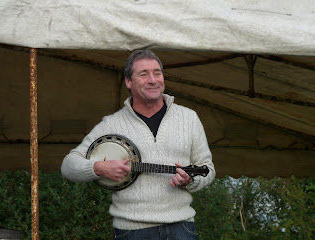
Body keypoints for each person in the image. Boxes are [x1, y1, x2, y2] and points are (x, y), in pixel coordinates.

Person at [61, 50, 216, 240]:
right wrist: (98, 167)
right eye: (143, 74)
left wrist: (191, 180)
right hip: (131, 232)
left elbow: (207, 169)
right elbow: (68, 165)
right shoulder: (111, 124)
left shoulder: (188, 118)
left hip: (181, 229)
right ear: (128, 82)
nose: (153, 80)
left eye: (157, 73)